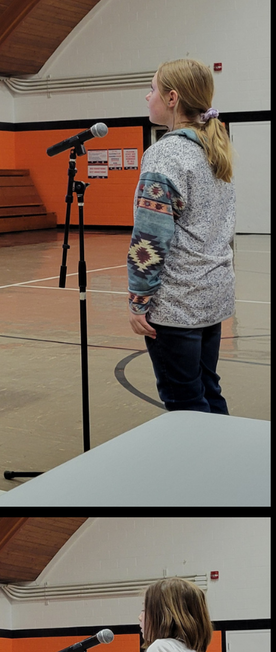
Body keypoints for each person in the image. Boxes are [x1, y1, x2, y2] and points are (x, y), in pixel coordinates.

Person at [127, 58, 235, 413]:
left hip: (176, 305)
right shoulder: (213, 148)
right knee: (208, 390)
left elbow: (149, 240)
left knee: (185, 404)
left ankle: (201, 452)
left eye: (153, 89)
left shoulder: (165, 155)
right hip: (212, 296)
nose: (148, 97)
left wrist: (139, 300)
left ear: (172, 98)